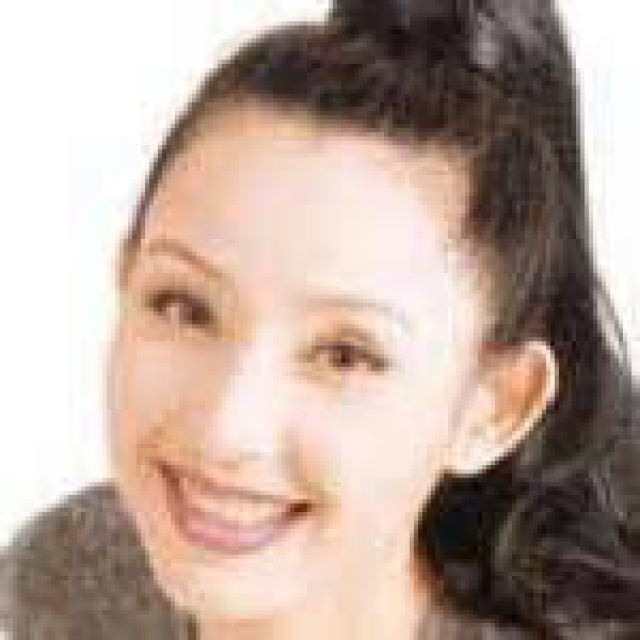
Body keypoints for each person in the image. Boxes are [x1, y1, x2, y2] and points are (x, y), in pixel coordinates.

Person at [2, 0, 639, 638]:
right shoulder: (70, 581)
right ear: (126, 275)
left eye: (345, 355)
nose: (226, 432)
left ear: (494, 409)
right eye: (184, 307)